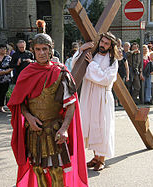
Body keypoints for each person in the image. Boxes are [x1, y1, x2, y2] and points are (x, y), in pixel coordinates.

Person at [7, 33, 88, 187]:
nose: (42, 52)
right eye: (38, 49)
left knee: (56, 171)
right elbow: (20, 103)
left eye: (45, 49)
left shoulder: (61, 72)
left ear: (51, 50)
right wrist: (29, 117)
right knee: (37, 169)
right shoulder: (26, 73)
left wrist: (64, 129)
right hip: (33, 131)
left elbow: (71, 104)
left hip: (54, 130)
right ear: (33, 50)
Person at [72, 32, 118, 171]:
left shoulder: (113, 60)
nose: (103, 45)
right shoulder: (93, 54)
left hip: (103, 98)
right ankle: (95, 157)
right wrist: (81, 50)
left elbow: (106, 80)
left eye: (106, 43)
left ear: (111, 46)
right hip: (89, 95)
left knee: (103, 127)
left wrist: (91, 65)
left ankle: (102, 159)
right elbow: (76, 65)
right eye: (102, 42)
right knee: (91, 126)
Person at [0, 44, 12, 112]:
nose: (3, 50)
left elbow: (11, 67)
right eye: (1, 48)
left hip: (5, 78)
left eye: (4, 48)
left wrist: (4, 72)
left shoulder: (9, 58)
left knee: (3, 92)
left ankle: (1, 107)